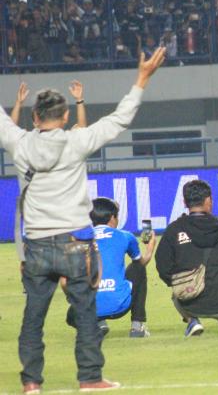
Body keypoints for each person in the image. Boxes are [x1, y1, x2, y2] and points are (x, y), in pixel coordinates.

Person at [1, 48, 166, 394]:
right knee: (86, 313)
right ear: (63, 118)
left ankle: (31, 382)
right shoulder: (76, 141)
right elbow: (118, 120)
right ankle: (90, 378)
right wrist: (141, 79)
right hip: (75, 242)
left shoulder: (18, 143)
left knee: (33, 316)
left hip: (37, 245)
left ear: (34, 118)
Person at [154, 180, 218, 337]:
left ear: (184, 202)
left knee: (176, 291)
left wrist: (179, 281)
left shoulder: (174, 229)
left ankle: (192, 321)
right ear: (208, 200)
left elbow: (163, 265)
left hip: (191, 299)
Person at [65, 198, 155, 338]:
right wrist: (150, 247)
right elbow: (141, 263)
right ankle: (138, 327)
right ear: (112, 217)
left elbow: (65, 280)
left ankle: (97, 323)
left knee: (73, 311)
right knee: (137, 268)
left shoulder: (77, 239)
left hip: (89, 308)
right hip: (120, 305)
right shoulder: (125, 236)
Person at [11, 80, 87, 128]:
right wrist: (79, 100)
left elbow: (10, 130)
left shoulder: (26, 142)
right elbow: (82, 130)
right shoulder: (28, 142)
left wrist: (18, 103)